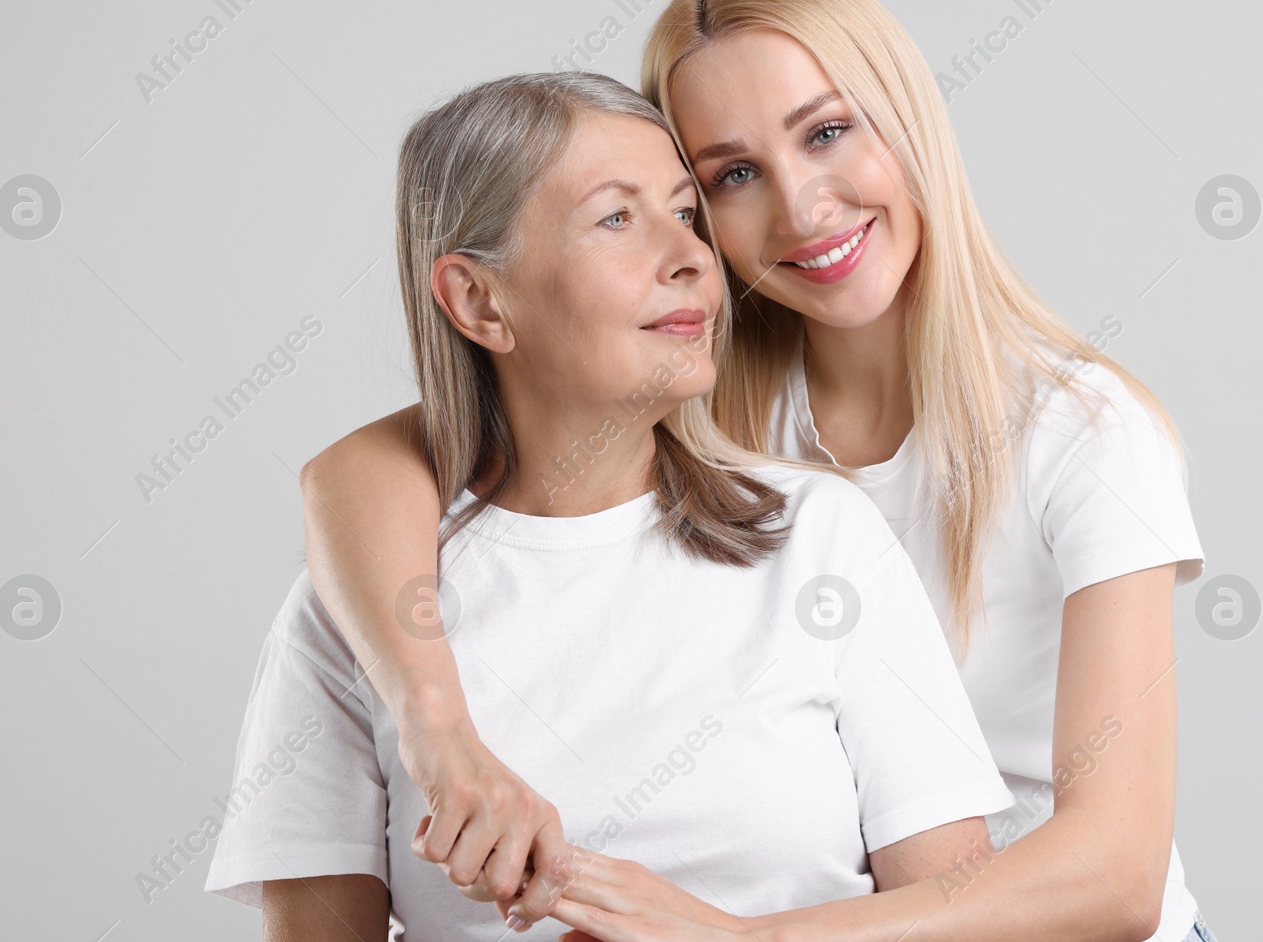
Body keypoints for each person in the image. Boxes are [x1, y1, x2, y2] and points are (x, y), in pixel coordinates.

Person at [296, 0, 1217, 942]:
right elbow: (361, 467)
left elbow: (1116, 877)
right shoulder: (699, 409)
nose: (799, 207)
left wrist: (742, 941)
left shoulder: (1080, 430)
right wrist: (437, 732)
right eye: (730, 174)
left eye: (828, 132)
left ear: (907, 119)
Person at [203, 71, 1016, 941]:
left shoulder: (822, 540)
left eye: (683, 211)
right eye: (617, 218)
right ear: (478, 300)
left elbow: (963, 919)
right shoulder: (361, 611)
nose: (693, 257)